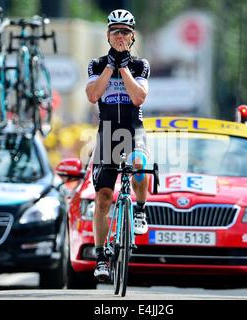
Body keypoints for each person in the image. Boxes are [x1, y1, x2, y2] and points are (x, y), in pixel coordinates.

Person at [85, 9, 151, 280]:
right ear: (108, 35)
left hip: (133, 129)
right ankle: (101, 257)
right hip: (108, 132)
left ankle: (140, 210)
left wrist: (123, 66)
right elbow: (92, 95)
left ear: (132, 36)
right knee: (103, 198)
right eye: (116, 31)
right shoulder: (96, 64)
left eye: (125, 31)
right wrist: (110, 65)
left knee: (138, 163)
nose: (121, 36)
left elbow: (138, 98)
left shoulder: (140, 65)